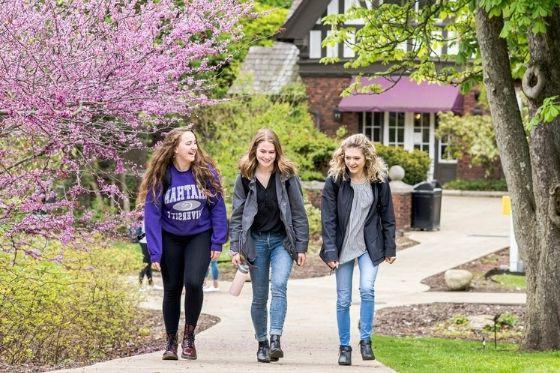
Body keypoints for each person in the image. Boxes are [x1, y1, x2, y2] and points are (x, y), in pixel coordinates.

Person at [137, 127, 227, 361]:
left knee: (194, 283)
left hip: (199, 235)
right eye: (188, 143)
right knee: (172, 288)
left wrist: (218, 240)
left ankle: (189, 338)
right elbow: (152, 215)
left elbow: (217, 206)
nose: (194, 147)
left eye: (195, 143)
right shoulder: (162, 175)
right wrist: (155, 252)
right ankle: (170, 342)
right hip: (171, 238)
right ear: (175, 148)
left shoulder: (205, 173)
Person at [230, 128, 309, 363]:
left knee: (280, 286)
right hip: (255, 242)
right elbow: (237, 215)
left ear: (277, 152)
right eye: (262, 151)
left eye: (271, 152)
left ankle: (276, 338)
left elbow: (298, 212)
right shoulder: (245, 176)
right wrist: (235, 247)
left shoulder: (287, 175)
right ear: (255, 150)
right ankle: (262, 342)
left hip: (281, 241)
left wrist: (302, 246)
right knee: (259, 296)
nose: (266, 156)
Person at [319, 134, 396, 366]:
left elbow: (388, 217)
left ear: (367, 158)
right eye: (348, 157)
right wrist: (330, 251)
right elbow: (328, 219)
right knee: (343, 299)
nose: (351, 162)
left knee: (367, 289)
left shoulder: (379, 181)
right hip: (343, 247)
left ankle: (366, 340)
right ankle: (344, 347)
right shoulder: (335, 180)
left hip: (369, 246)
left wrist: (390, 247)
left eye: (356, 158)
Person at [137, 218, 153, 286]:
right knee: (146, 262)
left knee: (148, 262)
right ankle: (140, 281)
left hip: (147, 242)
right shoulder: (145, 219)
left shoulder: (148, 217)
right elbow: (141, 234)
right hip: (144, 242)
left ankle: (150, 281)